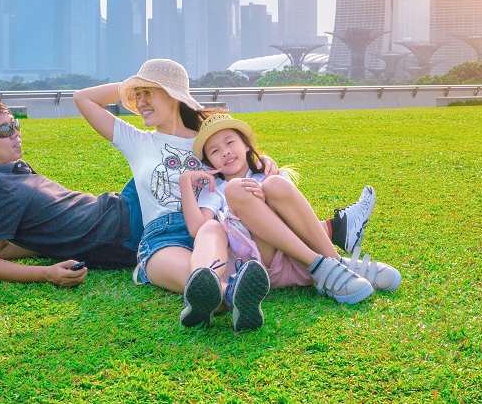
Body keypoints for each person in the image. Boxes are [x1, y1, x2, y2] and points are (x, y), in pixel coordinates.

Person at [73, 59, 379, 330]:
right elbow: (82, 98)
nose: (140, 103)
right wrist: (136, 82)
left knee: (214, 233)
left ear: (174, 95)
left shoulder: (207, 138)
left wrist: (265, 159)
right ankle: (235, 298)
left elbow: (238, 158)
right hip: (163, 237)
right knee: (203, 287)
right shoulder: (136, 140)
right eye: (136, 96)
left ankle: (329, 261)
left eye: (148, 93)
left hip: (220, 230)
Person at [181, 113, 401, 307]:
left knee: (274, 184)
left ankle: (334, 264)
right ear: (209, 162)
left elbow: (296, 218)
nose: (226, 152)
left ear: (246, 145)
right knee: (236, 188)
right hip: (263, 265)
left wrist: (265, 193)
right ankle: (327, 264)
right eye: (215, 151)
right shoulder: (216, 188)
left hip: (298, 259)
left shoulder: (268, 174)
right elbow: (198, 228)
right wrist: (185, 184)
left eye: (230, 142)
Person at [0, 98, 141, 288]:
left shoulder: (8, 173)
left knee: (162, 156)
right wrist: (47, 273)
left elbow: (2, 248)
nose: (15, 133)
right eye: (4, 131)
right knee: (164, 158)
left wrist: (54, 246)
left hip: (121, 205)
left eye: (14, 124)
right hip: (123, 228)